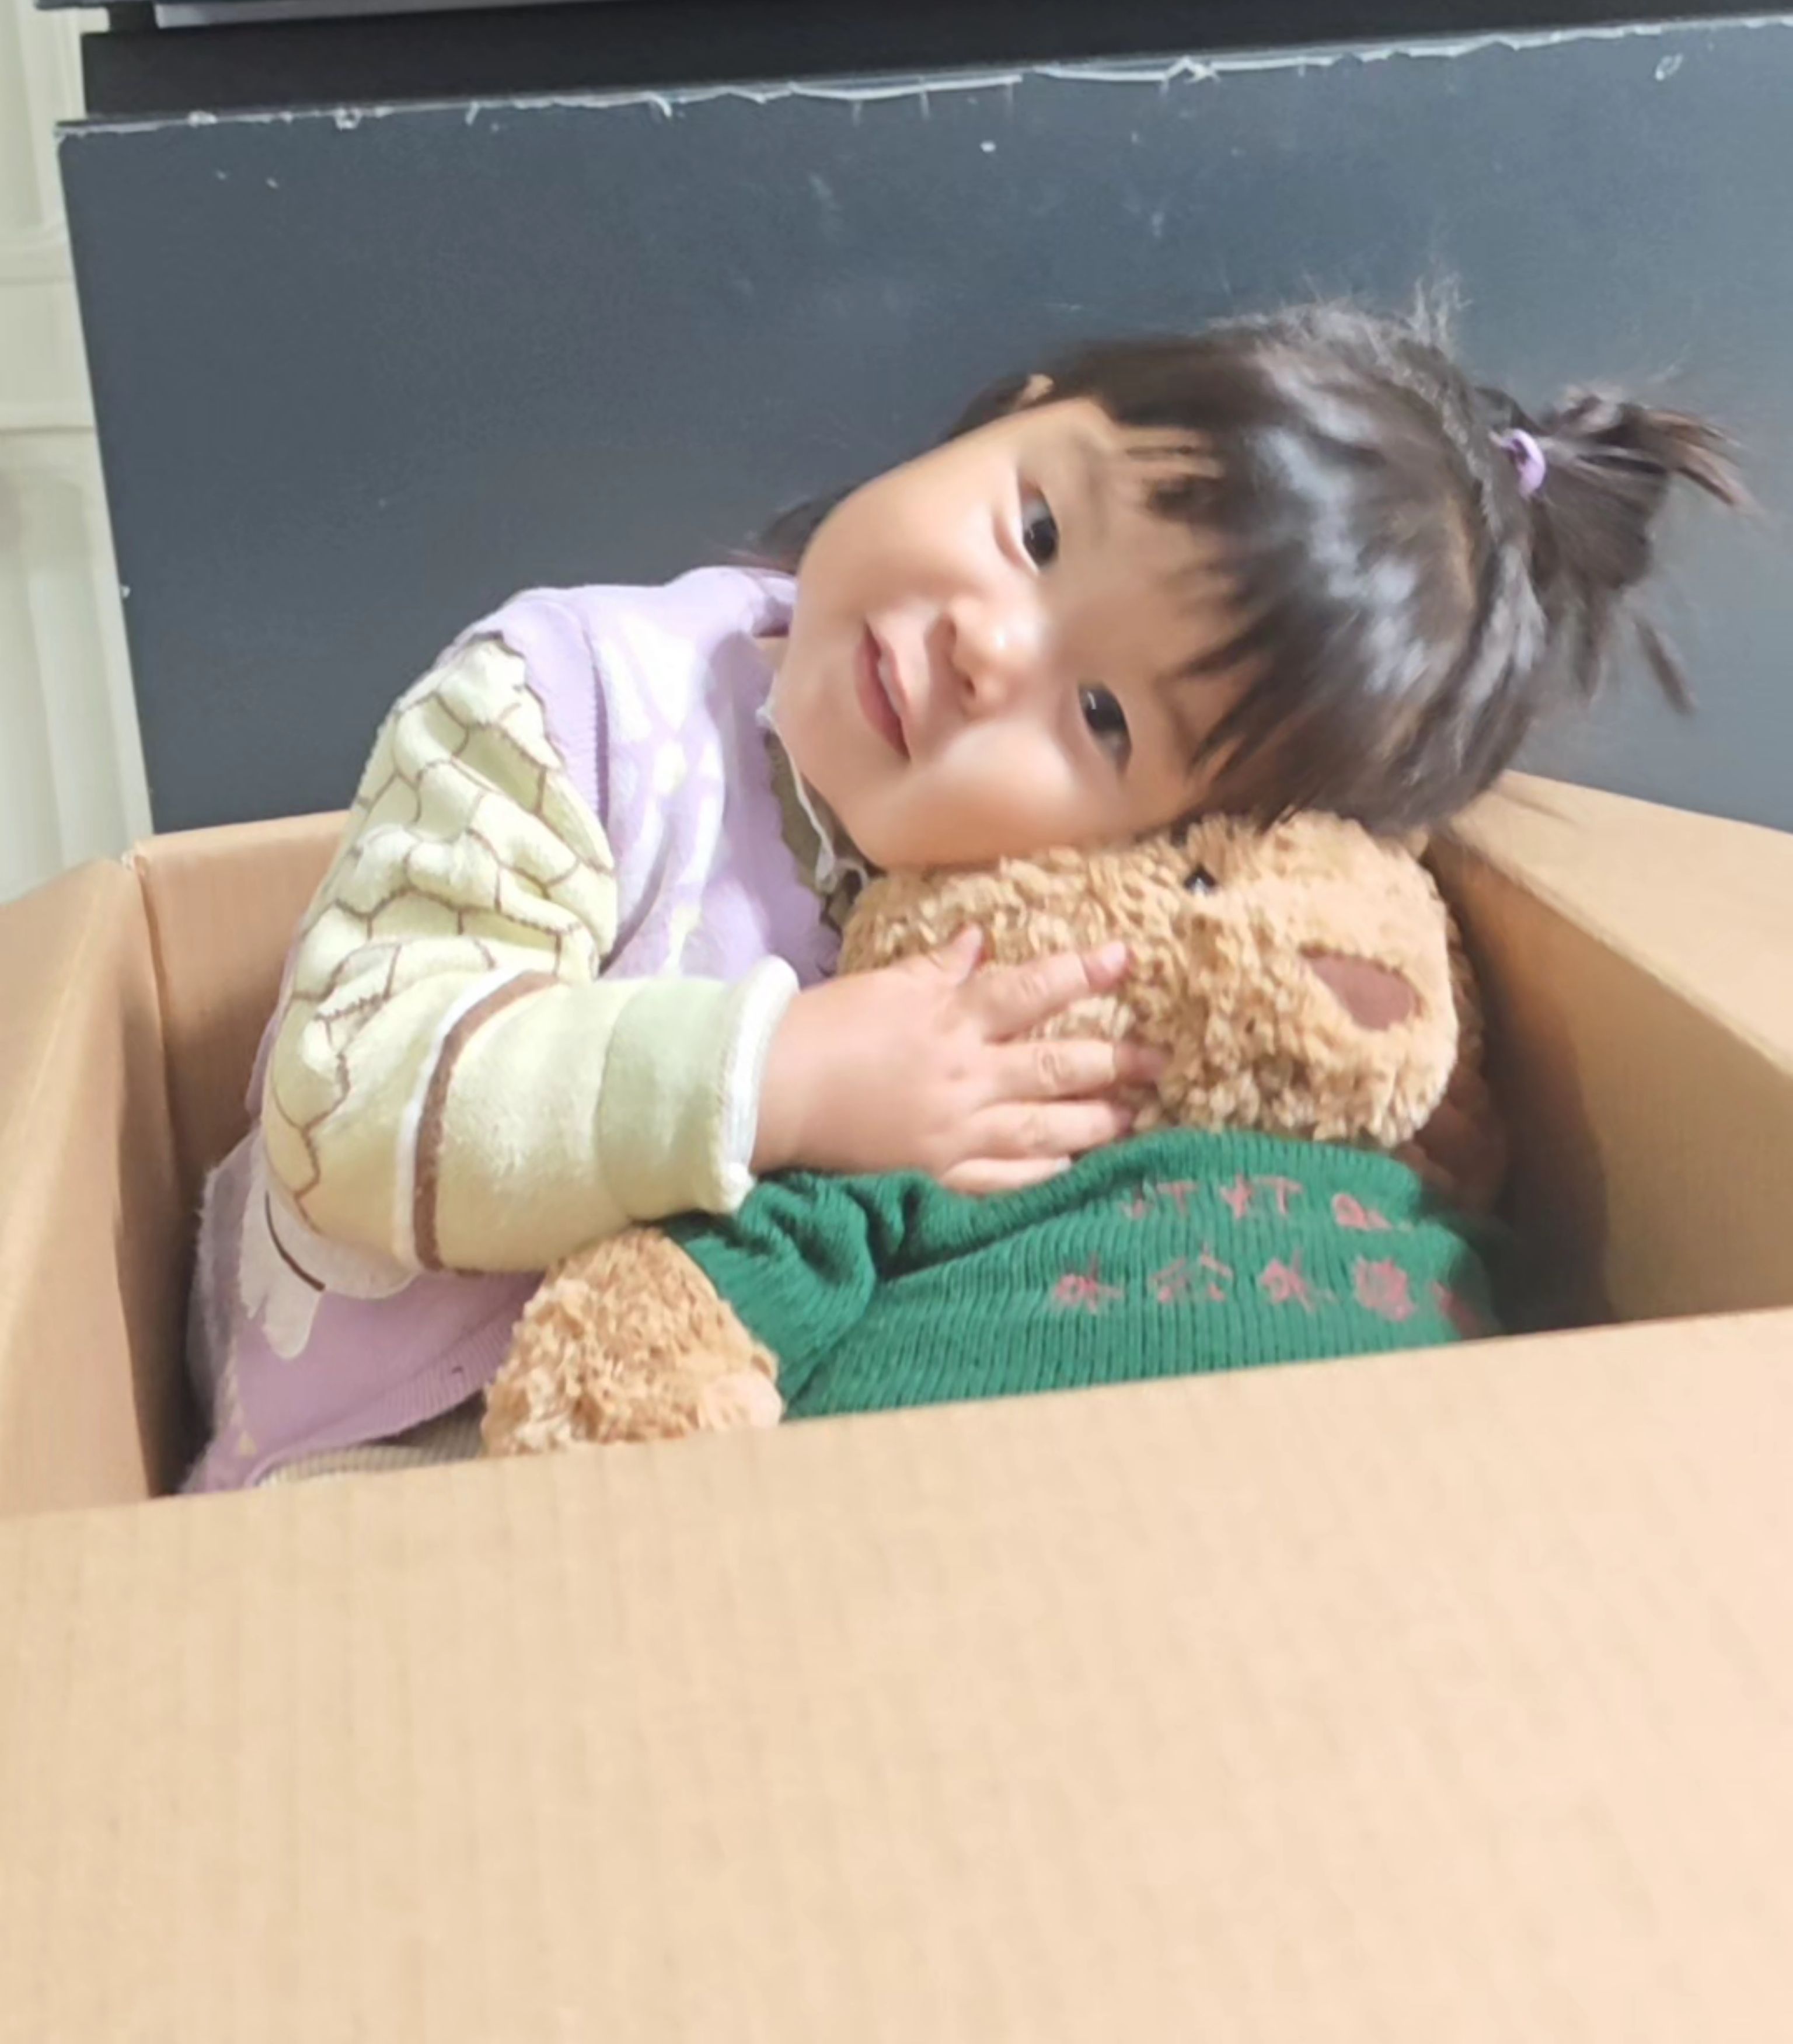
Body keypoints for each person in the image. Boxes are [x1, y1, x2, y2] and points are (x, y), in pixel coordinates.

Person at [185, 301, 1736, 1488]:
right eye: (1040, 530)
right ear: (1017, 410)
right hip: (381, 1456)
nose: (993, 648)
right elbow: (348, 1099)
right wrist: (785, 1079)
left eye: (1105, 719)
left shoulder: (1044, 915)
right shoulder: (560, 707)